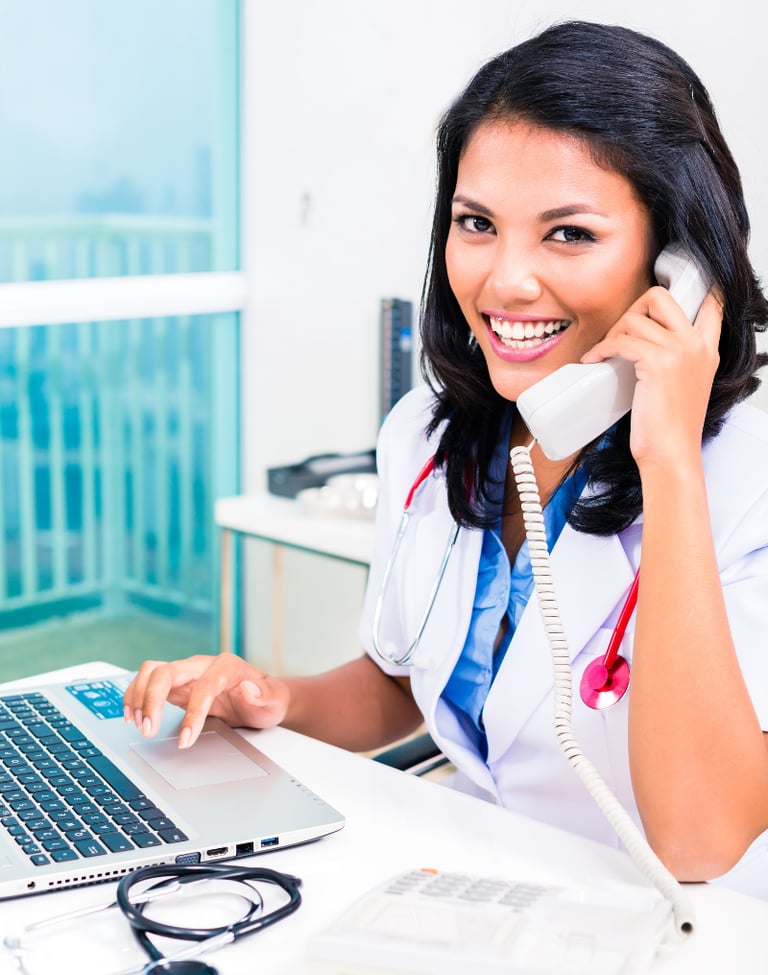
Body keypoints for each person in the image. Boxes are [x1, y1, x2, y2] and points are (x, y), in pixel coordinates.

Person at [124, 21, 768, 894]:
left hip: (688, 922)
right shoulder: (430, 431)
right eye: (477, 224)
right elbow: (406, 678)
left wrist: (669, 461)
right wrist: (275, 699)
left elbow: (701, 840)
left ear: (677, 265)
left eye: (569, 234)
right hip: (481, 886)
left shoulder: (743, 478)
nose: (504, 280)